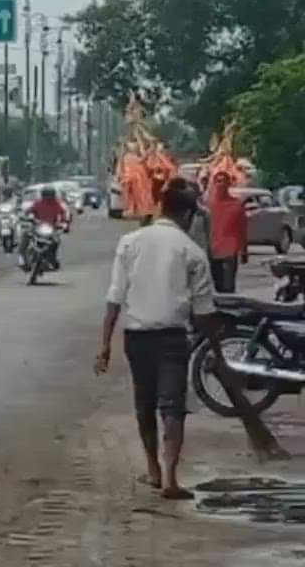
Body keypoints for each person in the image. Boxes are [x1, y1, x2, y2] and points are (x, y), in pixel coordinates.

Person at [95, 178, 223, 500]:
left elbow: (114, 298)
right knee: (173, 407)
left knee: (145, 404)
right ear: (188, 215)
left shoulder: (130, 242)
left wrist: (105, 345)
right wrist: (217, 352)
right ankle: (170, 478)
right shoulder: (191, 251)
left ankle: (152, 468)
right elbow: (205, 311)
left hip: (136, 337)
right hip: (173, 338)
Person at [207, 171, 248, 293]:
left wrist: (244, 250)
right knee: (216, 286)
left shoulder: (236, 205)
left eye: (224, 181)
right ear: (214, 183)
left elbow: (242, 228)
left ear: (229, 184)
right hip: (212, 251)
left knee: (228, 287)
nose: (221, 184)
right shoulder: (208, 204)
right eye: (218, 181)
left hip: (230, 251)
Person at [19, 186, 68, 268]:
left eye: (49, 195)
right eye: (46, 195)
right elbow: (29, 210)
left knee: (56, 241)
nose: (48, 198)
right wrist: (25, 216)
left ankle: (52, 259)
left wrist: (64, 223)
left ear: (53, 195)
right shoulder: (38, 203)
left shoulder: (56, 204)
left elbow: (63, 213)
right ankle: (23, 257)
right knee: (26, 234)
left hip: (51, 227)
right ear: (42, 195)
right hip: (37, 226)